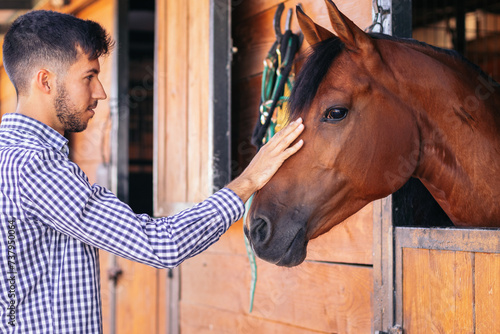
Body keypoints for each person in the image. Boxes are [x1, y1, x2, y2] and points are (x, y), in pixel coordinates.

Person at [0, 10, 304, 333]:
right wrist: (249, 180)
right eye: (88, 77)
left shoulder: (11, 158)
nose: (100, 92)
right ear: (45, 81)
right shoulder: (35, 168)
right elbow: (159, 244)